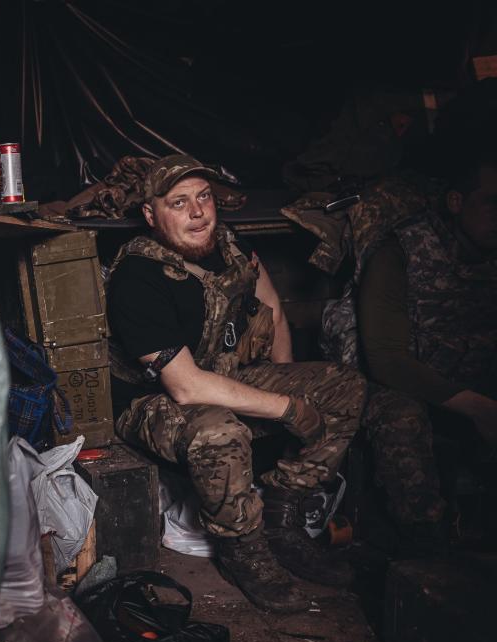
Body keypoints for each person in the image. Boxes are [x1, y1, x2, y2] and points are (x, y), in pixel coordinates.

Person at [107, 153, 366, 613]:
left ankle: (282, 518)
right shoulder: (137, 276)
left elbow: (273, 308)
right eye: (179, 202)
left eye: (204, 197)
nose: (198, 212)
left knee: (343, 386)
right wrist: (286, 407)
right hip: (154, 401)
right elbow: (185, 387)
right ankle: (244, 550)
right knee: (217, 430)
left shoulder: (229, 245)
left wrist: (284, 383)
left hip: (226, 376)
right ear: (151, 215)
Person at [357, 151, 497, 532]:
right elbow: (386, 360)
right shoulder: (401, 251)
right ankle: (424, 536)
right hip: (405, 383)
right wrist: (479, 407)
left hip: (472, 377)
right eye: (490, 202)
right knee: (399, 414)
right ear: (457, 202)